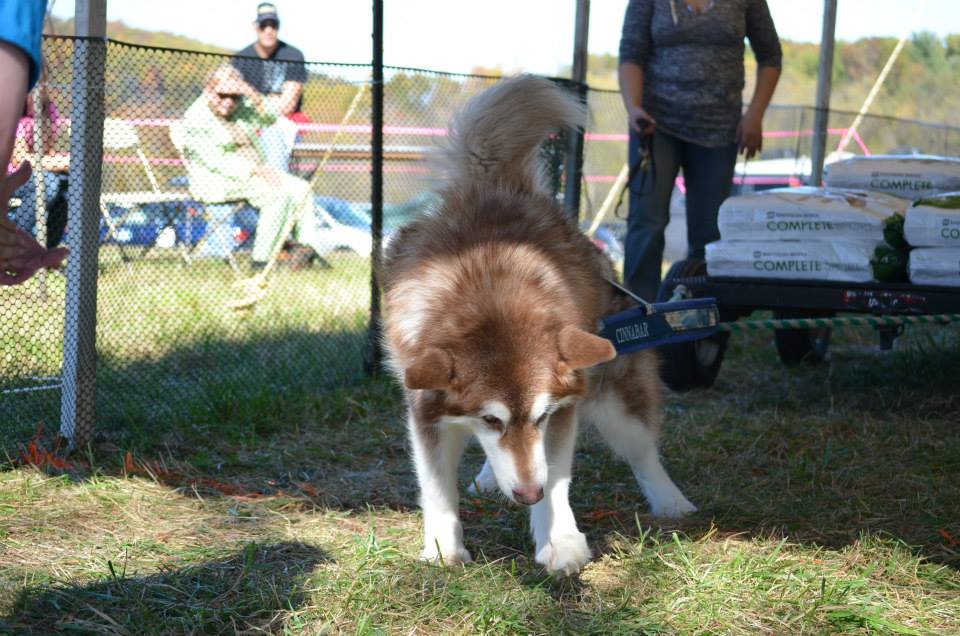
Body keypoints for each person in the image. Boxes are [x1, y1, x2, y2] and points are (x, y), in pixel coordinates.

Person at [618, 0, 782, 300]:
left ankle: (698, 325)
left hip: (719, 130)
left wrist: (755, 115)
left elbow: (770, 55)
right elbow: (631, 54)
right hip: (656, 126)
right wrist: (634, 108)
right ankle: (637, 316)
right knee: (647, 223)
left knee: (709, 231)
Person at [180, 65, 326, 270]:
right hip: (216, 179)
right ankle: (262, 260)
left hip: (257, 172)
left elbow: (270, 117)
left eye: (235, 96)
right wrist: (255, 170)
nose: (229, 102)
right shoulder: (196, 118)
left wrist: (251, 94)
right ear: (208, 90)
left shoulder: (240, 106)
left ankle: (305, 251)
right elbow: (215, 161)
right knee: (277, 195)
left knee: (302, 189)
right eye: (223, 95)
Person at [1, 0, 68, 286]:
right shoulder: (20, 116)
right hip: (16, 173)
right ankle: (17, 231)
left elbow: (47, 153)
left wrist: (62, 163)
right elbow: (23, 160)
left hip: (35, 171)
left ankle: (42, 242)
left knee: (63, 184)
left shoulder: (48, 114)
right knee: (48, 183)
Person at [232, 2, 307, 172]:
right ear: (255, 27)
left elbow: (288, 104)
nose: (269, 30)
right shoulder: (241, 58)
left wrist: (253, 98)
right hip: (247, 122)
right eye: (263, 25)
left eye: (273, 25)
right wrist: (270, 100)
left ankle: (276, 190)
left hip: (282, 123)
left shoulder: (293, 54)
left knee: (273, 137)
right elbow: (235, 101)